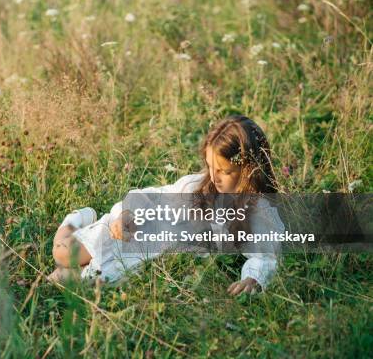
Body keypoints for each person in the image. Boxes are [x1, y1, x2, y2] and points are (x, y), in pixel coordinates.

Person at [49, 115, 284, 296]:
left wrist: (253, 279)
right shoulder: (196, 187)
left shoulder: (258, 212)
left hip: (146, 255)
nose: (215, 177)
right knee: (62, 254)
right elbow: (151, 195)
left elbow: (266, 256)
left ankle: (83, 257)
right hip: (133, 229)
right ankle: (77, 219)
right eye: (211, 167)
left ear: (250, 169)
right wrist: (125, 214)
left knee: (60, 279)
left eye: (225, 171)